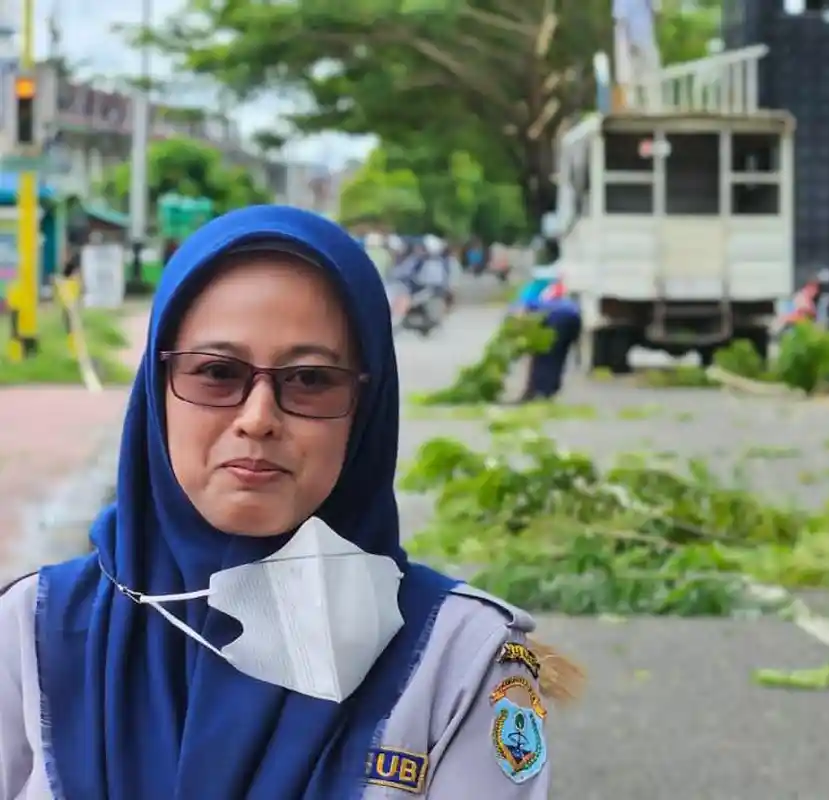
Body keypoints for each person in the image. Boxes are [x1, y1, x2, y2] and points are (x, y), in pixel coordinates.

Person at [0, 206, 580, 799]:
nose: (257, 419)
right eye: (217, 372)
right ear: (157, 391)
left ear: (366, 409)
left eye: (310, 380)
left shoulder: (460, 658)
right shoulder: (31, 632)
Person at [511, 240, 581, 401]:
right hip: (573, 315)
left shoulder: (532, 286)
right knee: (558, 356)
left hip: (557, 317)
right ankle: (548, 390)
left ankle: (539, 391)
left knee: (544, 355)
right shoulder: (554, 274)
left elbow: (520, 312)